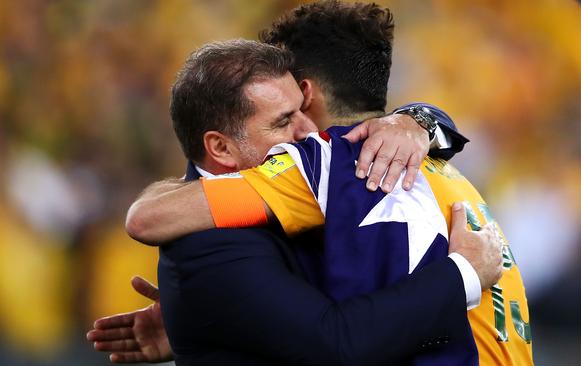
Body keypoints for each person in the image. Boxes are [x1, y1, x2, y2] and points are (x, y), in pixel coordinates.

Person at [88, 2, 504, 365]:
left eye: (301, 110)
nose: (308, 131)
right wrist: (464, 273)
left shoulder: (302, 185)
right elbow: (338, 344)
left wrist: (417, 118)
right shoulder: (208, 245)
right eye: (284, 121)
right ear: (221, 147)